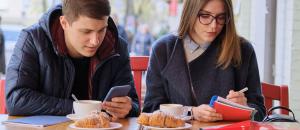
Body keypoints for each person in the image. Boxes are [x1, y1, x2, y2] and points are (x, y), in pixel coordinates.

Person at [5, 0, 139, 118]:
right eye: (86, 31)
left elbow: (133, 103)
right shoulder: (32, 39)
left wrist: (128, 107)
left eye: (102, 30)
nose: (95, 41)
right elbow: (15, 99)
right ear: (64, 23)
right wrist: (79, 109)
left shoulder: (116, 46)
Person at [143, 0, 266, 122]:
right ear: (190, 13)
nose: (214, 25)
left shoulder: (243, 50)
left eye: (221, 17)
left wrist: (246, 109)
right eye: (205, 16)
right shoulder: (163, 49)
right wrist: (191, 112)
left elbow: (260, 112)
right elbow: (151, 109)